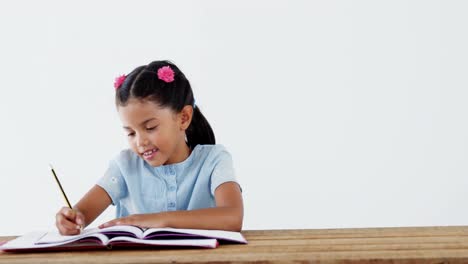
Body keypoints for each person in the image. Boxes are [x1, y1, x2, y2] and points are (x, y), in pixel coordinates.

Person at [55, 60, 243, 235]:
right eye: (131, 133)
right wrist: (71, 219)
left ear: (183, 118)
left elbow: (233, 217)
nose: (140, 142)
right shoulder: (124, 166)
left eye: (150, 128)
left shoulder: (214, 160)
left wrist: (159, 220)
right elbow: (81, 215)